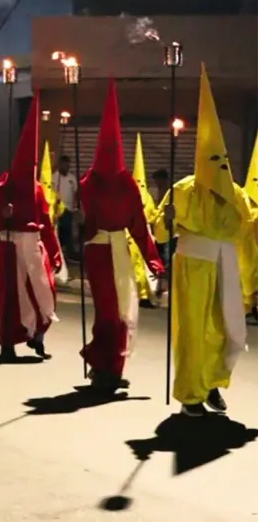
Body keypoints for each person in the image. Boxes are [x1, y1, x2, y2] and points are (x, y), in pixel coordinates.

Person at [153, 65, 257, 417]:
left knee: (224, 327)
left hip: (225, 264)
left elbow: (248, 228)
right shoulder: (182, 190)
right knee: (192, 331)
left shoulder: (236, 193)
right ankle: (190, 393)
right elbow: (160, 232)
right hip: (193, 266)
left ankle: (213, 383)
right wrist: (166, 222)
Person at [77, 80, 164, 392]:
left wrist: (153, 260)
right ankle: (102, 363)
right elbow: (85, 224)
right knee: (107, 313)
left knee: (125, 310)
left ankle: (113, 365)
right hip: (99, 252)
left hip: (119, 250)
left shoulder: (128, 185)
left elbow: (138, 225)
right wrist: (79, 221)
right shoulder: (87, 183)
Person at [0, 94, 61, 361]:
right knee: (10, 298)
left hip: (35, 246)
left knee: (44, 290)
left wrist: (55, 252)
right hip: (10, 245)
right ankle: (8, 343)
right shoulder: (2, 187)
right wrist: (3, 217)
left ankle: (37, 336)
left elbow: (47, 222)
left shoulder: (38, 189)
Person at [129, 133, 162, 307]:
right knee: (135, 266)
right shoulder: (127, 198)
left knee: (146, 266)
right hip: (131, 237)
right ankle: (138, 294)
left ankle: (146, 294)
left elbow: (153, 215)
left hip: (145, 235)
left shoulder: (147, 197)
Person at [52, 154, 78, 260]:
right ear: (60, 165)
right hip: (58, 210)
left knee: (68, 231)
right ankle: (58, 253)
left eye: (68, 165)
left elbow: (76, 192)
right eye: (64, 164)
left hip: (69, 209)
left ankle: (69, 254)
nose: (66, 167)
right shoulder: (54, 177)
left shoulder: (72, 178)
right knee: (59, 231)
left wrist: (76, 206)